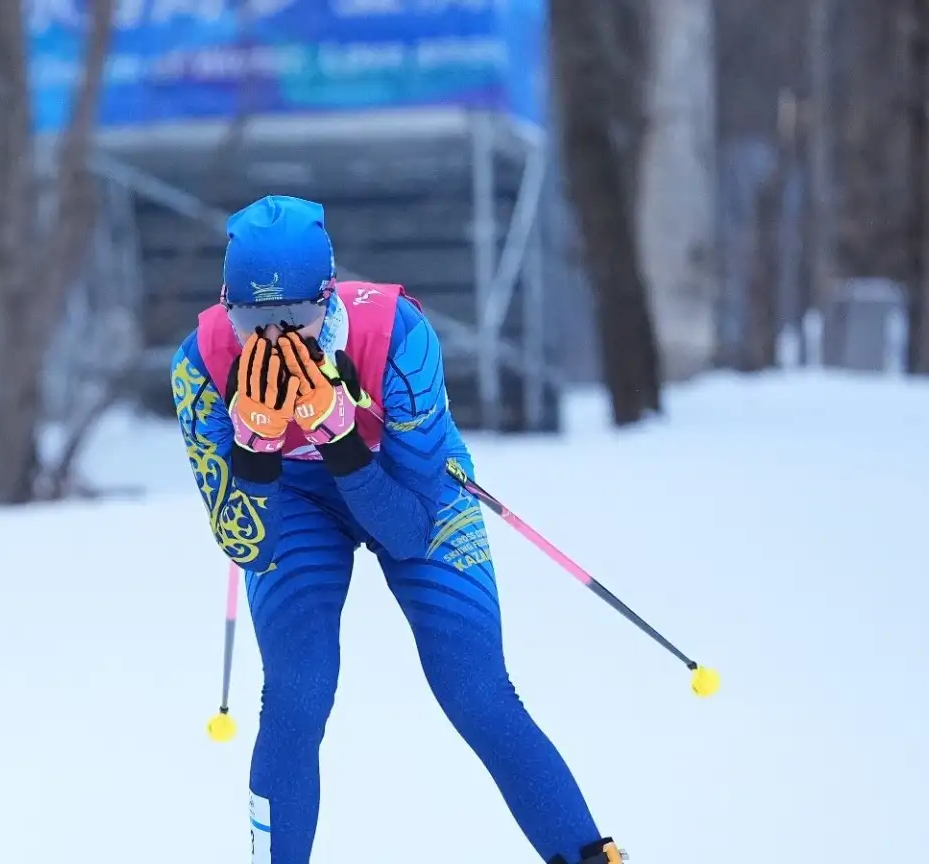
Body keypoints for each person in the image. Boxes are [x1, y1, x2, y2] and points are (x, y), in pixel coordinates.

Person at [167, 194, 622, 864]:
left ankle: (588, 857)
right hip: (295, 501)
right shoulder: (201, 365)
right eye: (250, 319)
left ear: (327, 299)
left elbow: (411, 531)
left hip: (404, 485)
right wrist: (255, 453)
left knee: (474, 687)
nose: (272, 340)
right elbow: (246, 543)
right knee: (298, 691)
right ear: (224, 305)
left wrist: (343, 440)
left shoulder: (396, 335)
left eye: (293, 316)